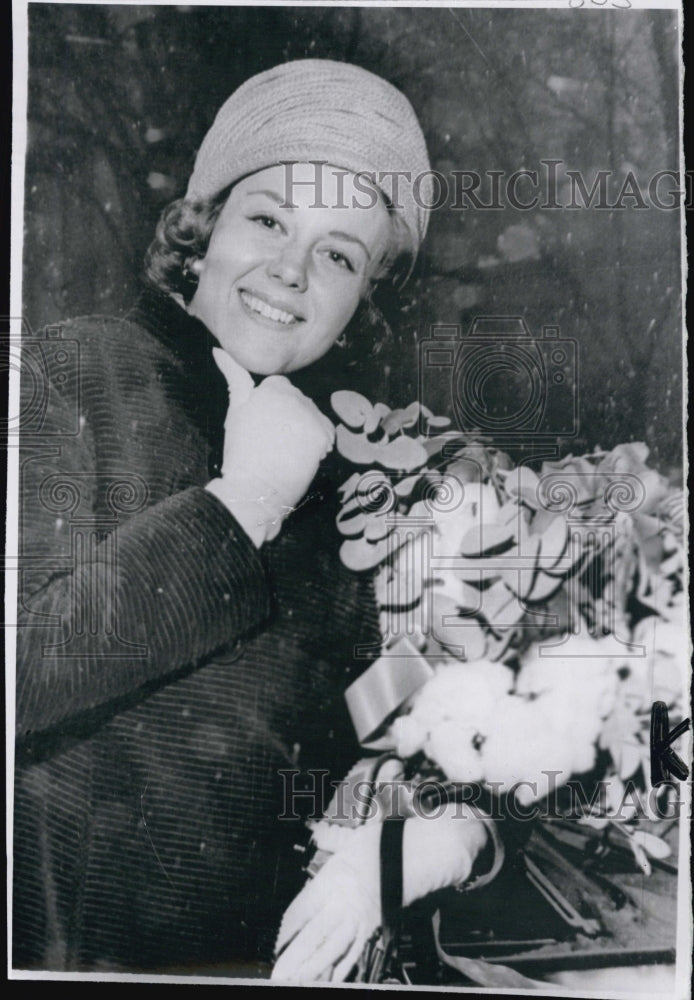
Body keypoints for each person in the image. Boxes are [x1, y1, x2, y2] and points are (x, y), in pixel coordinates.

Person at [13, 58, 494, 977]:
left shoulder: (348, 481)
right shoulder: (73, 369)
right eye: (269, 218)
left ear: (361, 303)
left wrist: (427, 821)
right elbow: (21, 670)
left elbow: (364, 725)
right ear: (201, 230)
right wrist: (241, 507)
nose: (291, 269)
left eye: (339, 254)